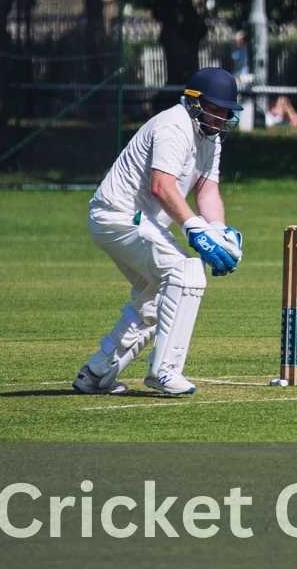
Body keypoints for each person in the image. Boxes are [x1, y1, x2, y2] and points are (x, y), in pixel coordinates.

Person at [73, 68, 245, 396]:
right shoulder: (174, 125)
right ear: (194, 102)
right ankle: (164, 371)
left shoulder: (210, 137)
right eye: (217, 108)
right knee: (187, 273)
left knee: (155, 301)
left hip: (138, 221)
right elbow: (162, 186)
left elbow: (207, 190)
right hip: (119, 216)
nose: (222, 116)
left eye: (227, 111)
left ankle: (96, 374)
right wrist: (196, 230)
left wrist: (219, 231)